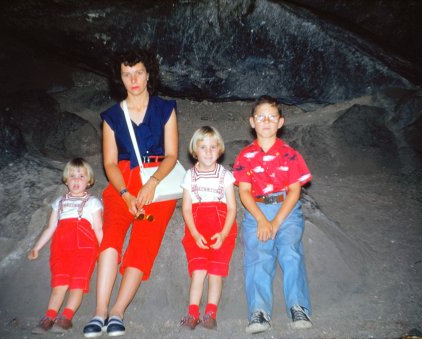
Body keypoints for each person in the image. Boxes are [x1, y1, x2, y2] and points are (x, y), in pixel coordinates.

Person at [83, 49, 179, 337]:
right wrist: (124, 193)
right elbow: (109, 162)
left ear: (149, 74)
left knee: (143, 240)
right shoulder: (112, 116)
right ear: (120, 79)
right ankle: (100, 311)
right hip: (122, 181)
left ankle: (117, 311)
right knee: (111, 234)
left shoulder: (165, 109)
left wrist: (152, 184)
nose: (133, 79)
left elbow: (172, 154)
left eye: (138, 72)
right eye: (127, 74)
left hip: (158, 180)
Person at [232, 95, 313, 334]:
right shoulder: (245, 156)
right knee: (258, 256)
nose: (266, 121)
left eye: (271, 117)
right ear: (252, 122)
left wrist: (276, 221)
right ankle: (258, 312)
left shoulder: (290, 154)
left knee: (290, 251)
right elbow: (244, 192)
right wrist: (261, 220)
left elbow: (295, 190)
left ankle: (299, 307)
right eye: (260, 117)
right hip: (256, 209)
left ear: (280, 122)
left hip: (286, 209)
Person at [28, 158, 103, 334]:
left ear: (89, 181)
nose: (76, 180)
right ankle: (49, 316)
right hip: (60, 249)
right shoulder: (59, 202)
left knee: (77, 285)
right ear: (66, 180)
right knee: (59, 284)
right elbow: (51, 227)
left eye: (81, 176)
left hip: (84, 249)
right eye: (72, 176)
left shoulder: (93, 202)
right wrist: (37, 247)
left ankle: (66, 318)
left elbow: (98, 228)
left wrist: (104, 249)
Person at [179, 126, 238, 331]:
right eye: (203, 147)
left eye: (213, 147)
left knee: (215, 272)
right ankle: (192, 313)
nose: (208, 151)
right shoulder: (189, 176)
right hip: (197, 229)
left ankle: (211, 313)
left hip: (222, 229)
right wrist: (194, 234)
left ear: (220, 149)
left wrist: (223, 234)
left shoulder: (226, 176)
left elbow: (232, 208)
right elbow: (186, 209)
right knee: (198, 270)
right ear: (194, 151)